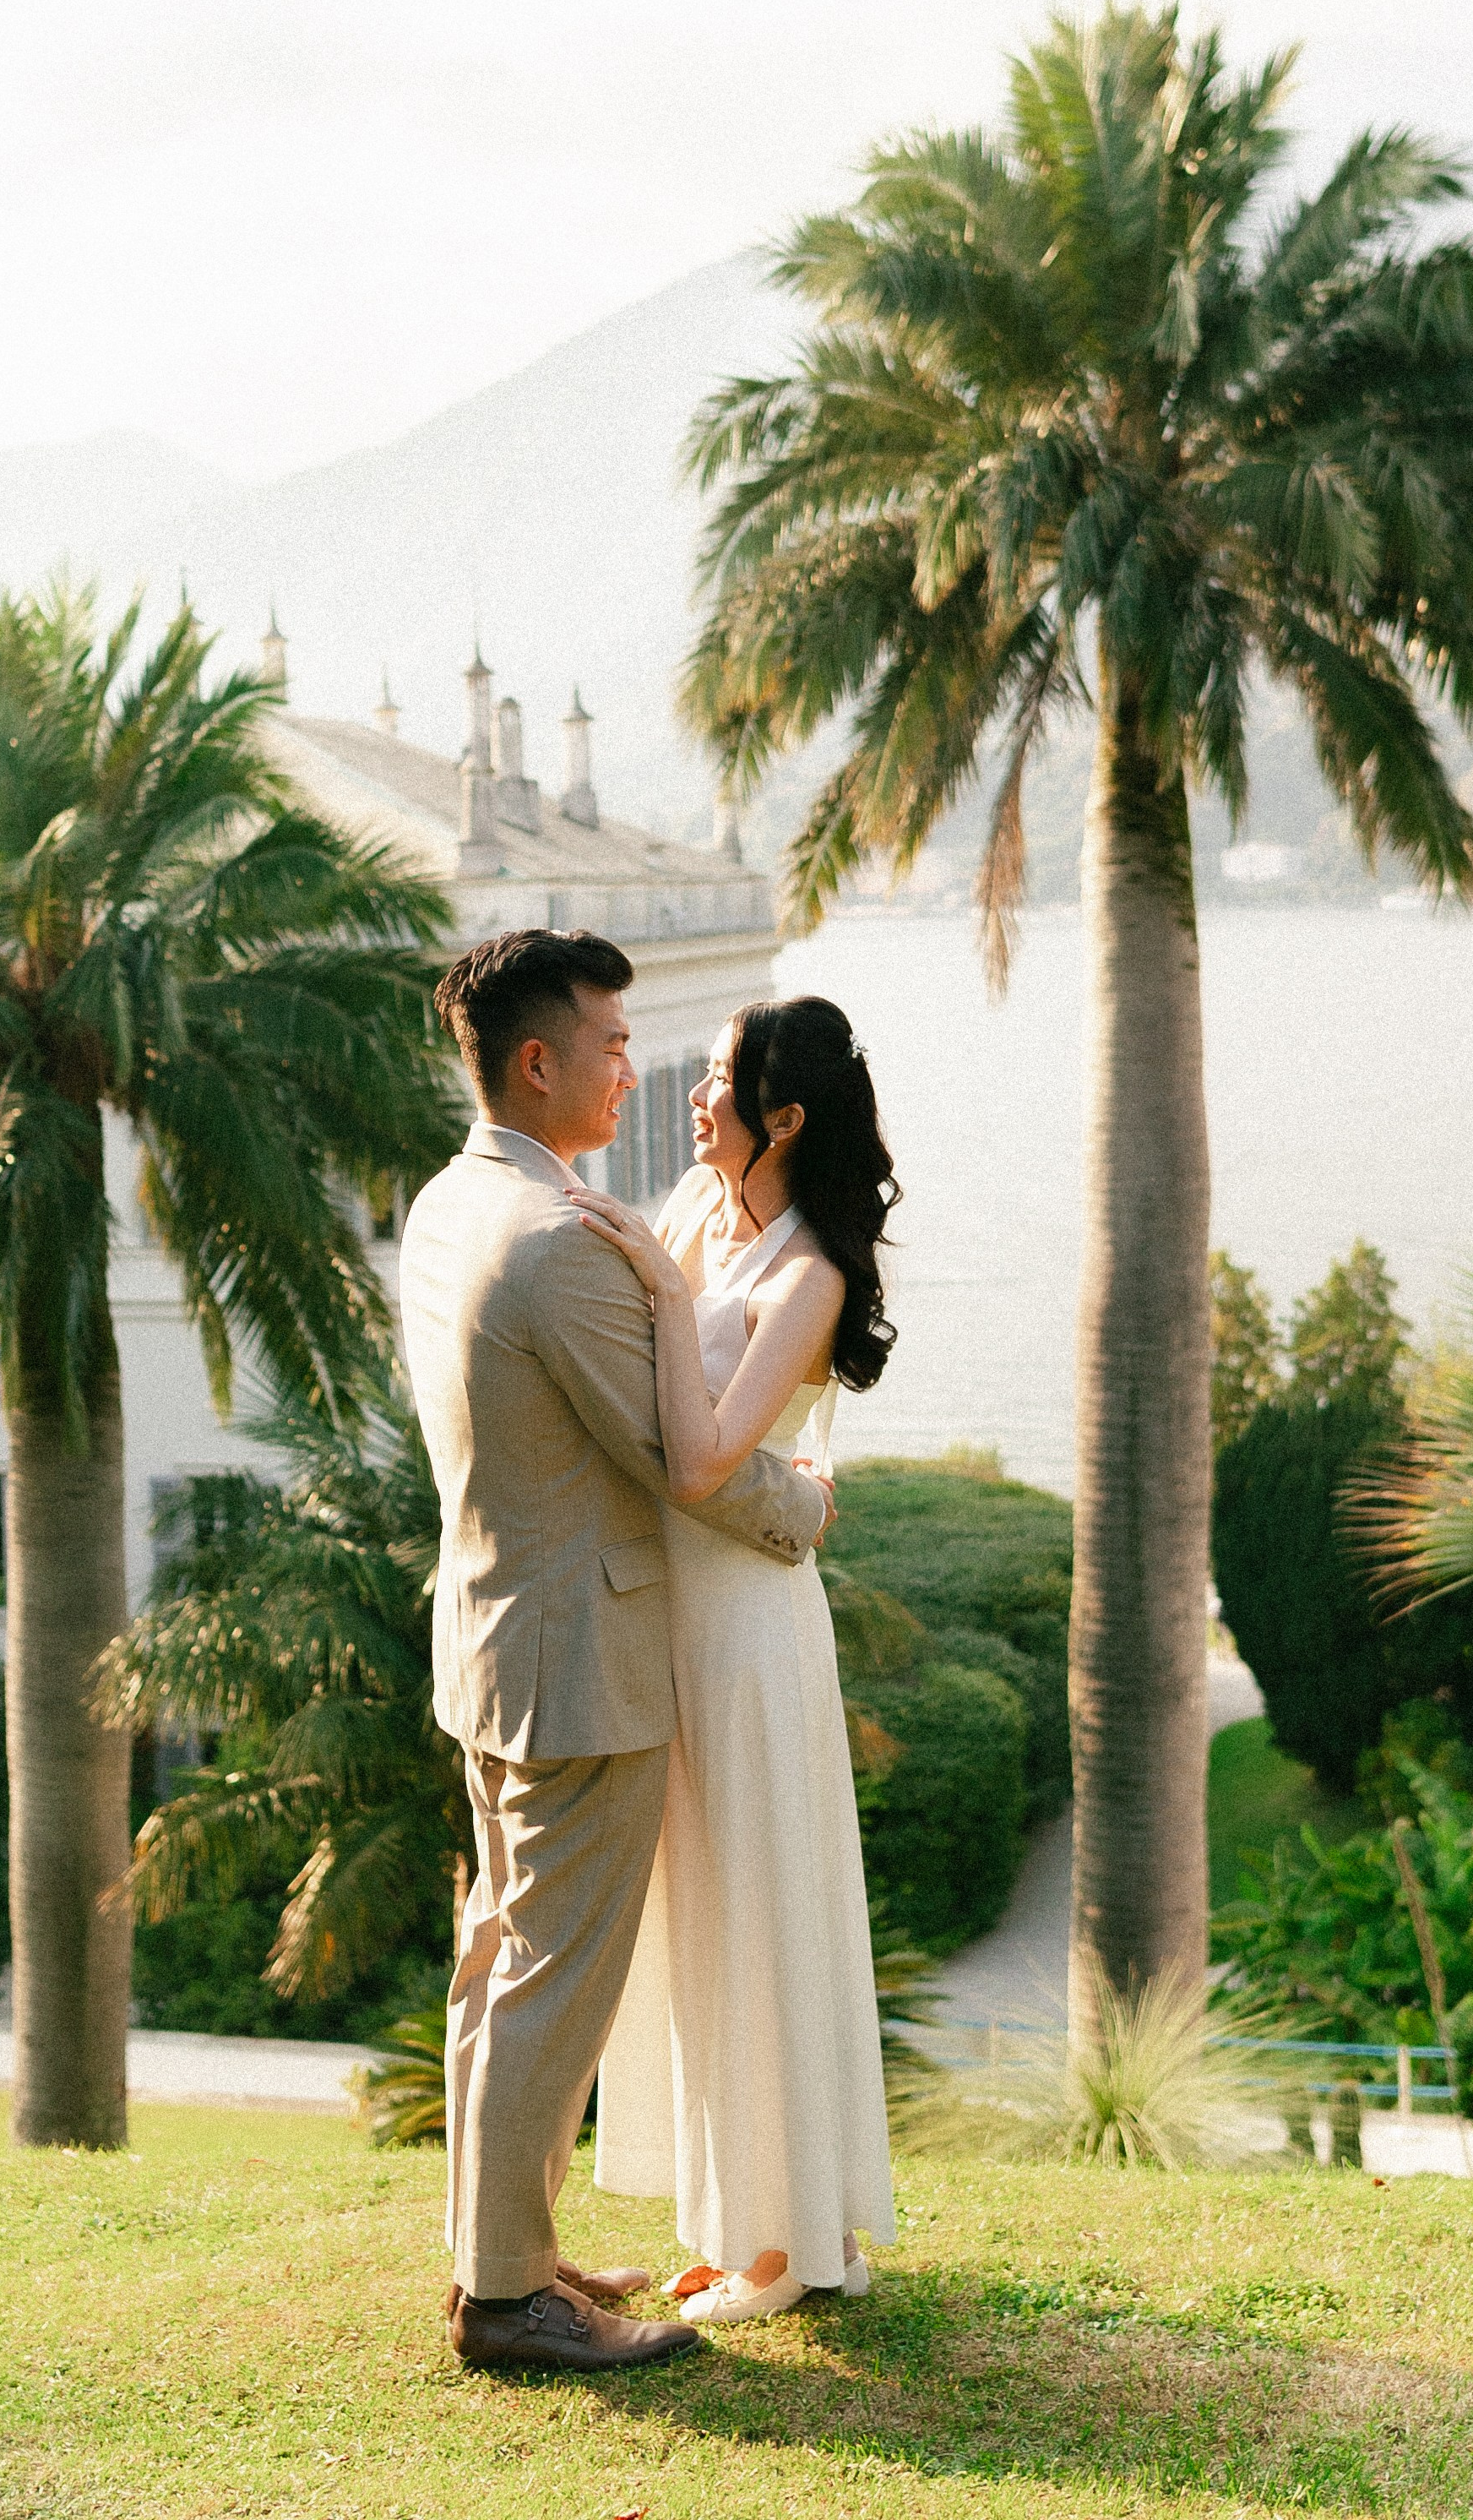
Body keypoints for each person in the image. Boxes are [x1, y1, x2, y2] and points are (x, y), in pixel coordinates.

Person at [395, 928, 832, 2375]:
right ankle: (513, 2302)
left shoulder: (454, 1206)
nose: (632, 1067)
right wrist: (806, 1507)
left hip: (493, 1637)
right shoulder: (552, 1243)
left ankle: (500, 2256)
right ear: (540, 1061)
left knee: (498, 1963)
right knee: (548, 1979)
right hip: (581, 1660)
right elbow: (676, 1454)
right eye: (612, 1043)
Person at [580, 994, 900, 2321]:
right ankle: (733, 2217)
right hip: (673, 1615)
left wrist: (658, 1284)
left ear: (785, 1116)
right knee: (698, 1919)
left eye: (719, 1079)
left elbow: (710, 1457)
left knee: (764, 1912)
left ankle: (784, 2246)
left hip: (753, 1632)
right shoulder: (692, 1212)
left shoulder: (812, 1274)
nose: (695, 1096)